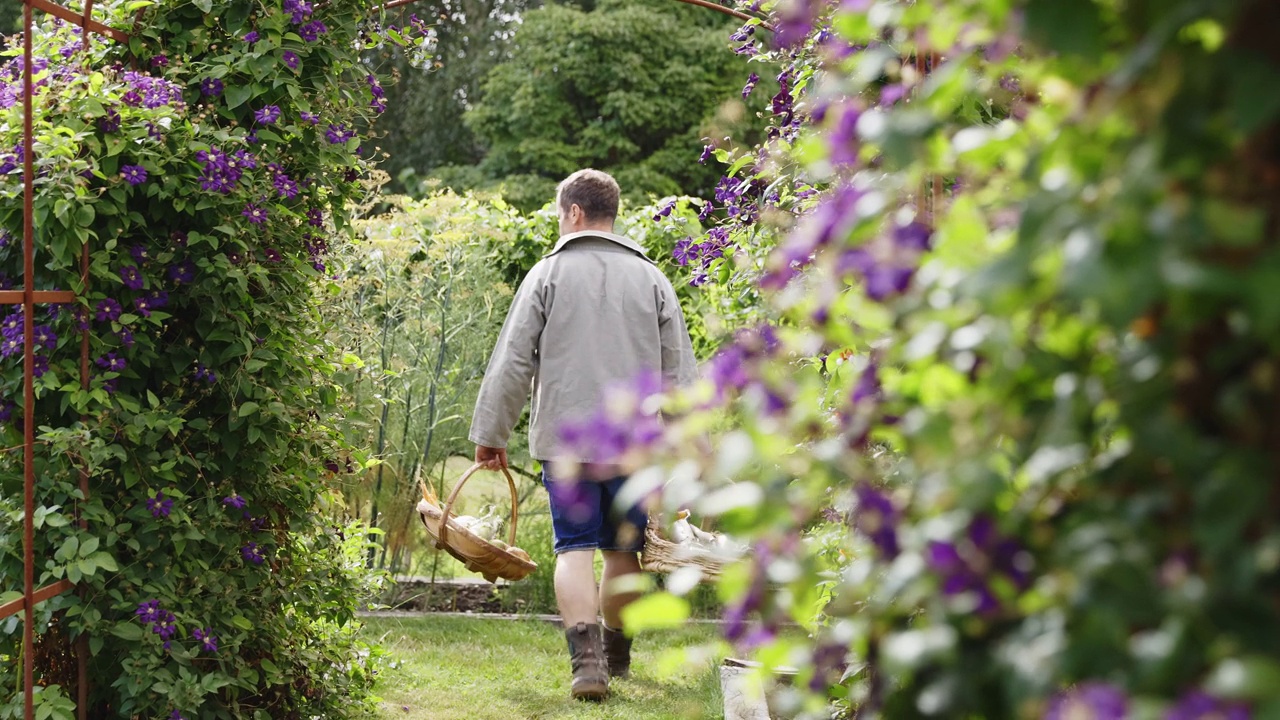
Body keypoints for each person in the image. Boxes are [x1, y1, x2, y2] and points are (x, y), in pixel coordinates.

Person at [468, 169, 697, 701]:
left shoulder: (546, 275)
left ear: (572, 212)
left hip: (568, 442)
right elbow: (680, 373)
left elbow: (512, 362)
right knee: (624, 551)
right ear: (609, 213)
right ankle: (617, 657)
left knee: (573, 549)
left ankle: (587, 667)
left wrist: (491, 433)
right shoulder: (651, 278)